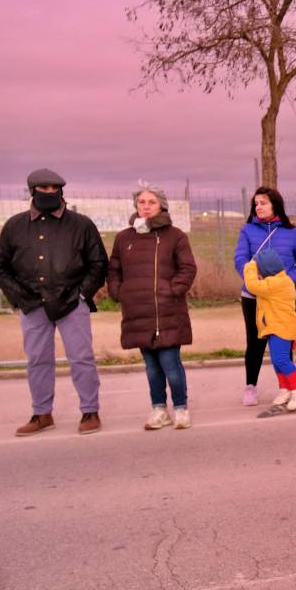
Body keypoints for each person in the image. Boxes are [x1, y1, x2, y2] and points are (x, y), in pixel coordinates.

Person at [0, 168, 107, 436]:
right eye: (44, 189)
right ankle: (42, 414)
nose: (50, 193)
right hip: (32, 305)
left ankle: (90, 411)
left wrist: (81, 294)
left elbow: (98, 263)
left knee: (82, 359)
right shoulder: (15, 226)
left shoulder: (81, 225)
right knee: (37, 361)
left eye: (55, 189)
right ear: (32, 191)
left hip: (71, 302)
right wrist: (20, 297)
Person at [106, 183, 198, 429]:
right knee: (151, 367)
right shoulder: (124, 238)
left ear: (162, 206)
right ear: (136, 206)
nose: (145, 206)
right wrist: (118, 291)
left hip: (167, 311)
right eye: (141, 202)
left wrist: (171, 290)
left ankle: (180, 409)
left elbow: (187, 268)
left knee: (170, 364)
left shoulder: (175, 235)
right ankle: (159, 410)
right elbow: (113, 269)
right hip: (138, 312)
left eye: (151, 202)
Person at [233, 187, 296, 406]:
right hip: (253, 297)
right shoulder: (247, 230)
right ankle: (251, 386)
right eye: (256, 203)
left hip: (286, 297)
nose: (259, 207)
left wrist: (290, 281)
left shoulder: (292, 232)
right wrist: (254, 282)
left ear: (275, 205)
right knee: (255, 342)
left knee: (282, 343)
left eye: (263, 203)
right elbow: (240, 258)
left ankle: (288, 387)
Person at [242, 249, 296, 409]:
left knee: (281, 360)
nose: (257, 273)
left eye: (259, 270)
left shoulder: (276, 283)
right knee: (277, 360)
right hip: (275, 327)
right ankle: (285, 388)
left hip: (282, 328)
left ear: (266, 271)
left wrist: (250, 267)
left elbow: (251, 285)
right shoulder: (279, 280)